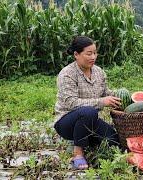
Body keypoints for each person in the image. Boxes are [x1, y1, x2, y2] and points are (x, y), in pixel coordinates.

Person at [54, 36, 121, 170]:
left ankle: (84, 140)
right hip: (67, 122)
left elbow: (105, 92)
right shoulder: (67, 74)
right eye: (88, 53)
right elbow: (71, 102)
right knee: (88, 111)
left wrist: (120, 96)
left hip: (91, 121)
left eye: (95, 53)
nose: (93, 57)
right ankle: (78, 153)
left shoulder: (99, 72)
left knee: (114, 141)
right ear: (76, 55)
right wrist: (101, 102)